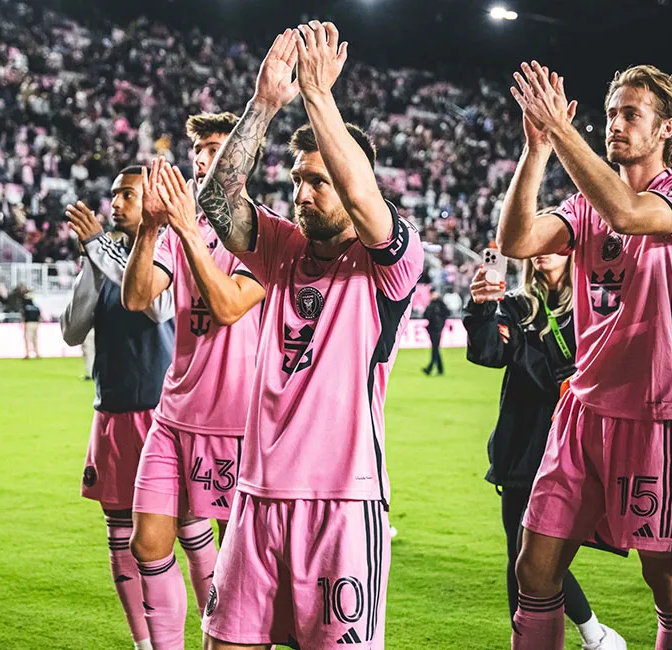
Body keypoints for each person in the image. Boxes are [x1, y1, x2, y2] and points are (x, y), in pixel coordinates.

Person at [196, 24, 424, 649]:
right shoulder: (283, 249)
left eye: (317, 181)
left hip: (342, 503)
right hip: (255, 495)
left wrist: (320, 96)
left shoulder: (392, 265)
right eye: (298, 179)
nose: (301, 194)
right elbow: (217, 199)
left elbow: (363, 197)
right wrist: (267, 102)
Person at [501, 59, 672, 650]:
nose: (614, 125)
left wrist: (563, 132)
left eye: (631, 114)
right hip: (581, 412)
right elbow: (516, 241)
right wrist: (538, 149)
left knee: (668, 581)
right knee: (533, 570)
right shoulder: (582, 202)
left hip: (654, 414)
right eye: (609, 115)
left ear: (667, 128)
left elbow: (629, 214)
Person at [120, 113, 265, 650]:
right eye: (200, 149)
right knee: (148, 542)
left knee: (235, 562)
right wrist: (154, 227)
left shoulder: (261, 232)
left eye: (217, 149)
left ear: (244, 158)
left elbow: (228, 307)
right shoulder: (185, 230)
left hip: (235, 424)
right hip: (174, 414)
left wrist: (182, 230)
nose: (205, 159)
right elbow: (137, 298)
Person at [465, 253, 626, 650]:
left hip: (572, 444)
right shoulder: (517, 306)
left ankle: (595, 634)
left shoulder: (596, 303)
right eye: (536, 241)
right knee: (517, 553)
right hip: (523, 446)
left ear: (573, 249)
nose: (541, 248)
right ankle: (555, 639)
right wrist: (482, 307)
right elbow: (488, 354)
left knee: (538, 554)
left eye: (552, 240)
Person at [60, 166, 176, 650]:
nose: (116, 203)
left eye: (128, 194)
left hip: (162, 417)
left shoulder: (170, 250)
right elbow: (71, 330)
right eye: (114, 194)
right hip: (110, 414)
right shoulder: (101, 260)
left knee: (186, 536)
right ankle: (143, 643)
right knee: (120, 535)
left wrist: (97, 250)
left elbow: (155, 307)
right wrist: (93, 261)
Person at [422, 287, 448, 376]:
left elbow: (446, 313)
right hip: (433, 329)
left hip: (437, 329)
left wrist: (441, 324)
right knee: (435, 348)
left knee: (435, 349)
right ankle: (440, 369)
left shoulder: (439, 304)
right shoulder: (433, 304)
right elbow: (426, 315)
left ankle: (430, 368)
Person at [22, 294, 41, 359]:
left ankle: (27, 354)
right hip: (36, 324)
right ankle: (37, 353)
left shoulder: (25, 307)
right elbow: (39, 317)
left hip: (29, 324)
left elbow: (24, 317)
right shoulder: (36, 307)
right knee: (35, 339)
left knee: (27, 339)